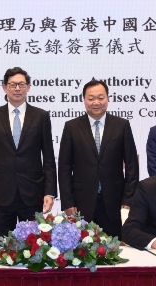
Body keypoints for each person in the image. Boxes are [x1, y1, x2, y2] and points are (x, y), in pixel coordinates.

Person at [0, 67, 57, 243]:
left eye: (21, 84)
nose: (17, 89)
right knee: (0, 245)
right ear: (4, 87)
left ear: (28, 87)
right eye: (12, 85)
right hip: (1, 195)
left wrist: (50, 192)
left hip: (32, 193)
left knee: (34, 246)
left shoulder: (41, 116)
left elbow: (49, 158)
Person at [58, 79, 139, 238]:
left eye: (100, 98)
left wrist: (128, 200)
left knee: (114, 249)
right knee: (82, 250)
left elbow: (132, 166)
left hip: (115, 201)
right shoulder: (71, 127)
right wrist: (68, 202)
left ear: (108, 98)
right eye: (91, 98)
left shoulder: (121, 125)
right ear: (84, 100)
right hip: (82, 202)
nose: (96, 102)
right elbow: (64, 168)